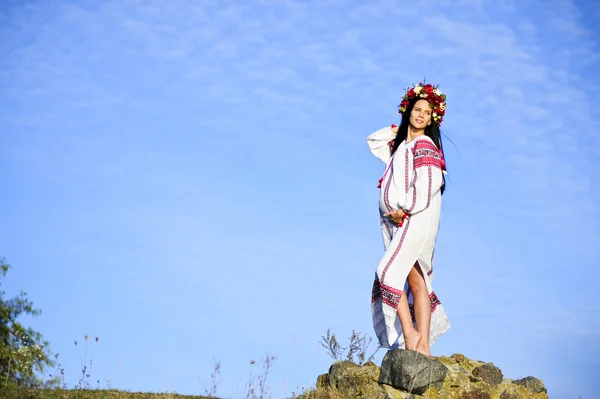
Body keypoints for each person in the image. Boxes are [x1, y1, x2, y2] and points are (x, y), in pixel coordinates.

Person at [367, 82, 451, 357]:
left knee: (387, 273)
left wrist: (405, 208)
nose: (421, 115)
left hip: (414, 219)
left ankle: (411, 334)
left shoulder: (424, 144)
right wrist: (400, 128)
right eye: (417, 110)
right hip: (401, 223)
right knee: (416, 281)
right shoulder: (402, 145)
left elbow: (429, 182)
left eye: (427, 113)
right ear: (408, 111)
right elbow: (374, 140)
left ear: (432, 120)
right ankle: (423, 346)